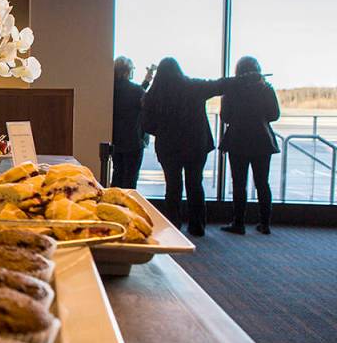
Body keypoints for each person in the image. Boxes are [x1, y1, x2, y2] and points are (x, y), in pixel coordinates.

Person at [141, 57, 244, 237]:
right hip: (195, 145)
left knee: (173, 186)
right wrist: (245, 78)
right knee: (195, 184)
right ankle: (197, 226)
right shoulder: (193, 87)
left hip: (168, 146)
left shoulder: (154, 94)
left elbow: (146, 124)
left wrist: (163, 131)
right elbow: (219, 85)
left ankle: (173, 224)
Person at [220, 56, 279, 235]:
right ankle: (265, 223)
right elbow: (274, 115)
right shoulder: (266, 88)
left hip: (238, 140)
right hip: (262, 141)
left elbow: (225, 117)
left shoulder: (232, 90)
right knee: (262, 183)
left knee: (239, 183)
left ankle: (238, 223)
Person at [111, 56, 154, 189]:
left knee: (117, 175)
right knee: (130, 179)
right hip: (133, 140)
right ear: (127, 71)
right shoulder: (135, 91)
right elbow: (145, 101)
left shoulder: (109, 89)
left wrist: (147, 80)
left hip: (115, 140)